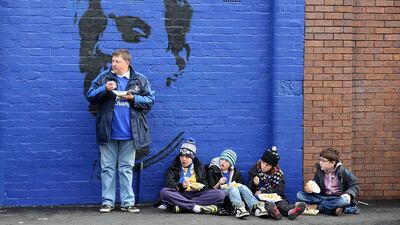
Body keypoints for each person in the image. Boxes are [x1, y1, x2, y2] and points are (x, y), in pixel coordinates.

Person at [86, 49, 155, 213]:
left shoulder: (139, 79)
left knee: (126, 168)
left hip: (131, 134)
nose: (113, 64)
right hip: (108, 132)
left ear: (127, 62)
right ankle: (108, 202)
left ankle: (127, 203)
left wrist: (133, 98)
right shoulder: (104, 78)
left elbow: (150, 100)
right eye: (113, 61)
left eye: (117, 61)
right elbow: (90, 95)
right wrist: (105, 89)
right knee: (107, 168)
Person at [159, 138, 225, 214]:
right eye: (182, 156)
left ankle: (182, 206)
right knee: (164, 192)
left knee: (220, 194)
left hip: (196, 195)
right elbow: (169, 185)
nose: (183, 159)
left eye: (187, 157)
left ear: (192, 158)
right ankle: (196, 208)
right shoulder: (173, 167)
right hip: (180, 194)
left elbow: (206, 185)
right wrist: (181, 186)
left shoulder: (199, 167)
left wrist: (200, 188)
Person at [296, 147, 360, 216]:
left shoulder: (343, 171)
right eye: (320, 160)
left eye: (323, 161)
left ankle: (318, 207)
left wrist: (349, 194)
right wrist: (310, 188)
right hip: (323, 197)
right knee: (300, 195)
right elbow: (316, 184)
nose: (320, 163)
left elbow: (355, 185)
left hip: (337, 197)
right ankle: (334, 208)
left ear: (332, 163)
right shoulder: (320, 171)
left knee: (344, 200)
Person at [207, 149, 268, 218]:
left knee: (243, 187)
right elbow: (210, 189)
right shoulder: (213, 170)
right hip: (219, 193)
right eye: (222, 159)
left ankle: (256, 207)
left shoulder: (235, 172)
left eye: (226, 161)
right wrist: (219, 183)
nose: (223, 162)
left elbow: (240, 187)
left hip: (232, 193)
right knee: (233, 188)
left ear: (231, 164)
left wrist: (254, 184)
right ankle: (239, 209)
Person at [249, 146, 306, 220]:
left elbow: (279, 190)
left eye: (268, 165)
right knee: (268, 205)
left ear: (273, 166)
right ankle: (275, 212)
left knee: (282, 205)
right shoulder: (255, 170)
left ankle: (293, 211)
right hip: (262, 199)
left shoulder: (278, 174)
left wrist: (263, 191)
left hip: (277, 197)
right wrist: (254, 183)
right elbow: (250, 190)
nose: (263, 166)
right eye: (263, 162)